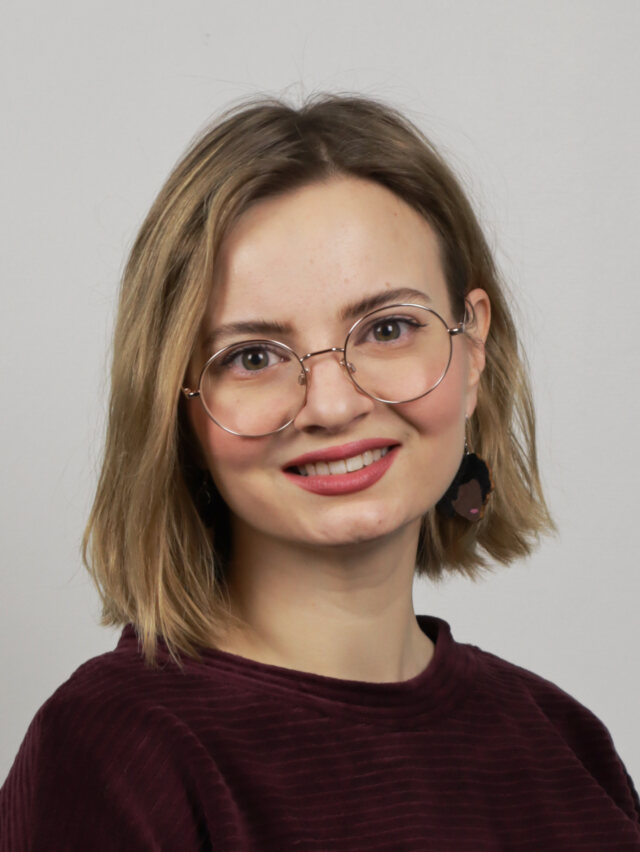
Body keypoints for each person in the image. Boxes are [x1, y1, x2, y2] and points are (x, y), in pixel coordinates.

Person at [1, 93, 639, 851]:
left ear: (473, 351)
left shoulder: (567, 743)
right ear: (178, 407)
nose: (332, 406)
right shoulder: (115, 750)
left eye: (388, 329)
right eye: (253, 356)